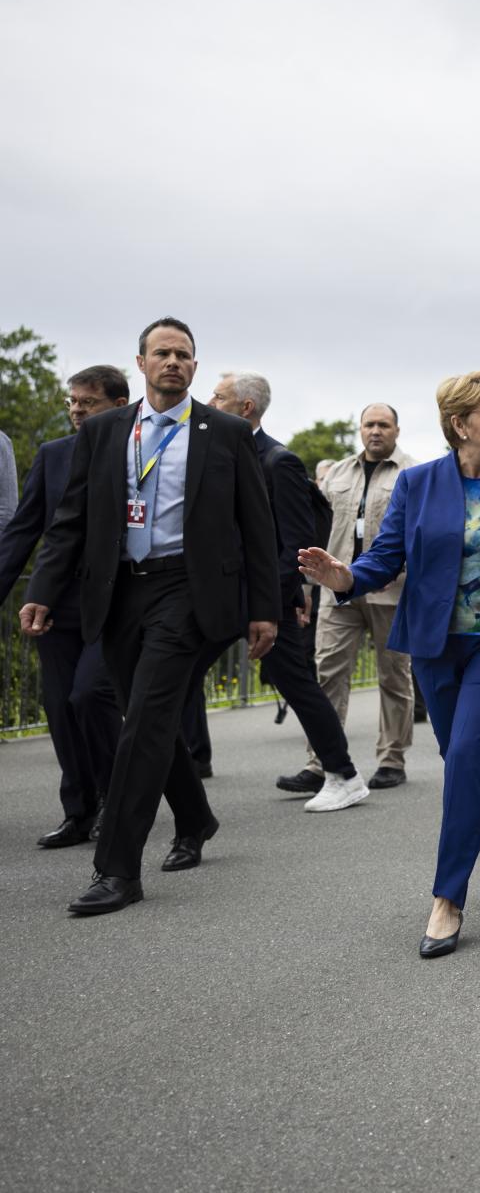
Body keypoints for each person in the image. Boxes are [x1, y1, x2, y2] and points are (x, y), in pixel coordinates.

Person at [300, 370, 480, 959]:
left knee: (466, 755)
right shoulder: (417, 483)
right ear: (459, 424)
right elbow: (386, 556)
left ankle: (447, 899)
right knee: (462, 761)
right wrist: (347, 578)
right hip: (435, 644)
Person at [21, 318, 279, 916]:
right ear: (140, 364)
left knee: (146, 719)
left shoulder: (226, 433)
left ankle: (117, 871)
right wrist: (42, 587)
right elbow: (71, 522)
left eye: (184, 355)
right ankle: (194, 817)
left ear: (194, 366)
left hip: (186, 593)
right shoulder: (107, 430)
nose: (173, 362)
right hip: (116, 593)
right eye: (162, 353)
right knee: (138, 715)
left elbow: (257, 528)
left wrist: (265, 609)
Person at [209, 371, 369, 813]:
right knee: (174, 678)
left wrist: (277, 599)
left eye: (218, 397)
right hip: (220, 594)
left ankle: (343, 774)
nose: (209, 403)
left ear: (245, 408)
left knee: (297, 684)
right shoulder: (214, 454)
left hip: (263, 599)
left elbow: (296, 544)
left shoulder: (278, 461)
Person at [0, 365, 129, 848]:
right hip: (55, 605)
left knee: (89, 697)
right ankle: (79, 811)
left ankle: (118, 803)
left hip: (117, 603)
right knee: (59, 708)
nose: (76, 410)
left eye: (87, 402)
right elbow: (23, 530)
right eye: (72, 402)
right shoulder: (53, 456)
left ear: (119, 406)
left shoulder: (138, 456)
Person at [307, 402, 418, 791]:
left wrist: (400, 572)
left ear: (397, 430)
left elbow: (420, 535)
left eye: (383, 425)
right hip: (337, 590)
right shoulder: (337, 472)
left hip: (392, 591)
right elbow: (315, 527)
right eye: (369, 424)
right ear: (360, 429)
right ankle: (322, 760)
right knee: (328, 673)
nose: (376, 431)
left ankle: (391, 758)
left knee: (394, 676)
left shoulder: (413, 474)